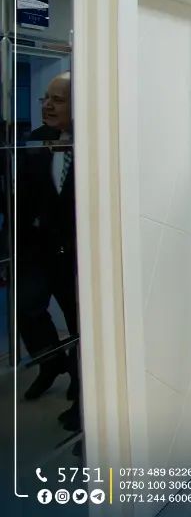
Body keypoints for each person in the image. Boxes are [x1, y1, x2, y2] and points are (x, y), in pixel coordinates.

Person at [17, 72, 80, 431]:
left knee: (79, 323)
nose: (47, 105)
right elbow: (20, 201)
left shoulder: (95, 140)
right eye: (45, 98)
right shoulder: (35, 141)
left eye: (58, 99)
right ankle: (50, 362)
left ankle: (81, 389)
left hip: (76, 255)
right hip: (38, 251)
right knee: (26, 307)